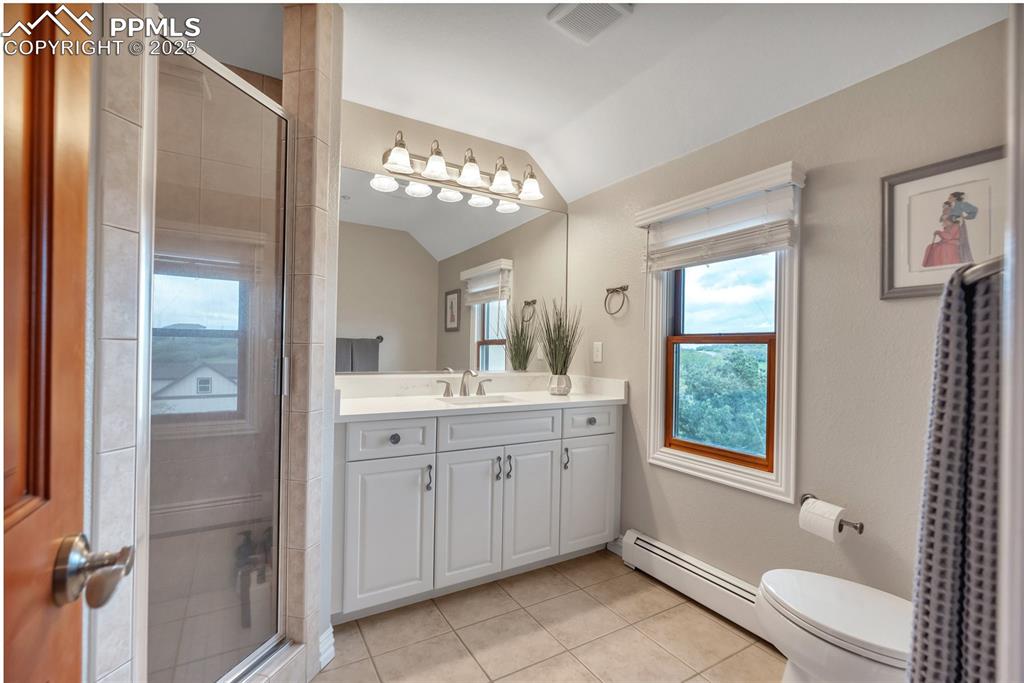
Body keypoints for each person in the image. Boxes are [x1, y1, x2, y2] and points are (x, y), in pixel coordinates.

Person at [922, 192, 977, 267]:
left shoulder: (961, 204)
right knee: (931, 247)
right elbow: (943, 217)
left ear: (955, 198)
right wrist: (945, 218)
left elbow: (974, 210)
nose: (948, 199)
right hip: (950, 227)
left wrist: (965, 217)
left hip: (956, 225)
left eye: (950, 197)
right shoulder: (949, 207)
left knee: (947, 245)